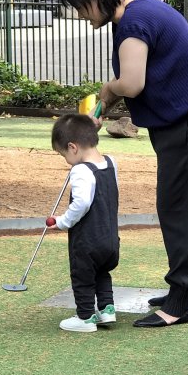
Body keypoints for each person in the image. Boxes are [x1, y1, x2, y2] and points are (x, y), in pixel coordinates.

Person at [58, 0, 188, 329]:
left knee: (178, 207)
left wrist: (109, 89)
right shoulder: (138, 10)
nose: (83, 17)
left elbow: (131, 84)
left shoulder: (133, 23)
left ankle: (179, 302)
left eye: (82, 7)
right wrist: (101, 109)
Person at [48, 113, 120, 333]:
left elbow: (82, 203)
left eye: (63, 155)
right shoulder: (110, 162)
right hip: (109, 238)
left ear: (73, 147)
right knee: (102, 273)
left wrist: (62, 222)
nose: (66, 161)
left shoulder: (80, 170)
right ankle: (107, 310)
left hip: (87, 240)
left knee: (82, 276)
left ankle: (85, 317)